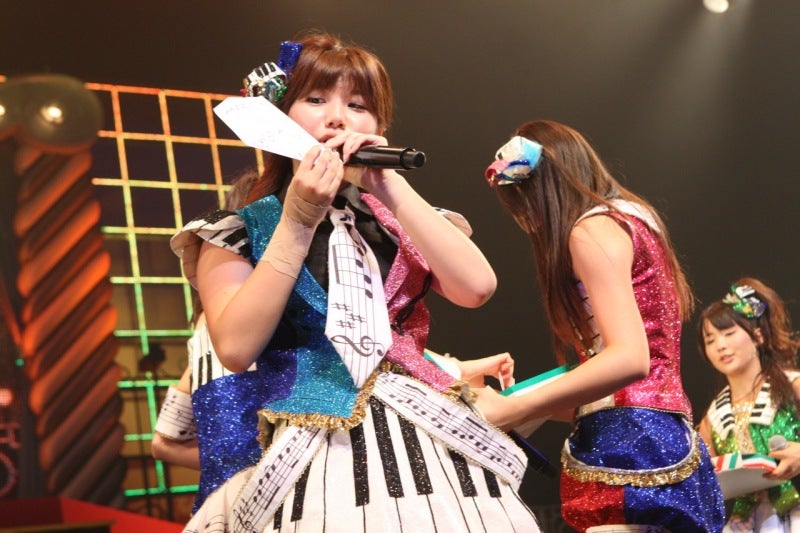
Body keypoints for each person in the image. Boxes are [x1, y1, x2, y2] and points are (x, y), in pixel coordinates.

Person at [171, 31, 540, 532]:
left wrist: (388, 185)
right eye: (315, 99)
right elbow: (236, 347)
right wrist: (298, 219)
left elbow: (476, 288)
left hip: (427, 435)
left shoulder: (400, 217)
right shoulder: (237, 229)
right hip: (315, 450)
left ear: (380, 127)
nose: (338, 118)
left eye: (358, 106)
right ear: (278, 116)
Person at [475, 120, 725, 532]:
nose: (526, 220)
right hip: (664, 437)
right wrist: (533, 398)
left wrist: (513, 407)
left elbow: (629, 360)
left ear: (543, 189)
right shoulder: (634, 223)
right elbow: (636, 377)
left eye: (522, 202)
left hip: (630, 445)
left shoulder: (590, 230)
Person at [152, 170, 264, 513]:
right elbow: (163, 442)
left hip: (226, 503)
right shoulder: (273, 313)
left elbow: (164, 440)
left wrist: (226, 464)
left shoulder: (206, 322)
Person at [697, 277, 800, 531]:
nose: (720, 346)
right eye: (710, 340)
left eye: (729, 333)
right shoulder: (713, 418)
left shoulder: (792, 386)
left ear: (758, 336)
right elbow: (702, 485)